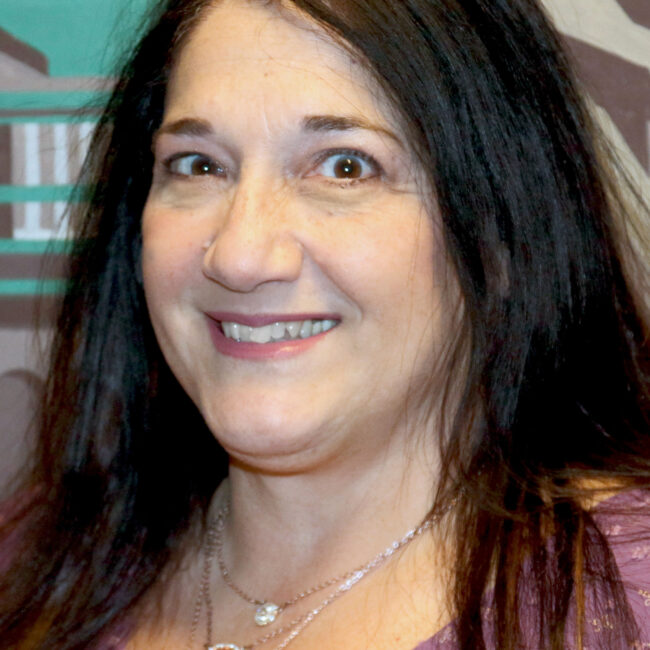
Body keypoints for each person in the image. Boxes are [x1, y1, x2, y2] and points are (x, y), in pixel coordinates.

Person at [1, 0, 649, 648]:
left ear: (501, 235)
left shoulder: (623, 602)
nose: (240, 256)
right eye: (199, 165)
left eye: (345, 166)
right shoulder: (38, 558)